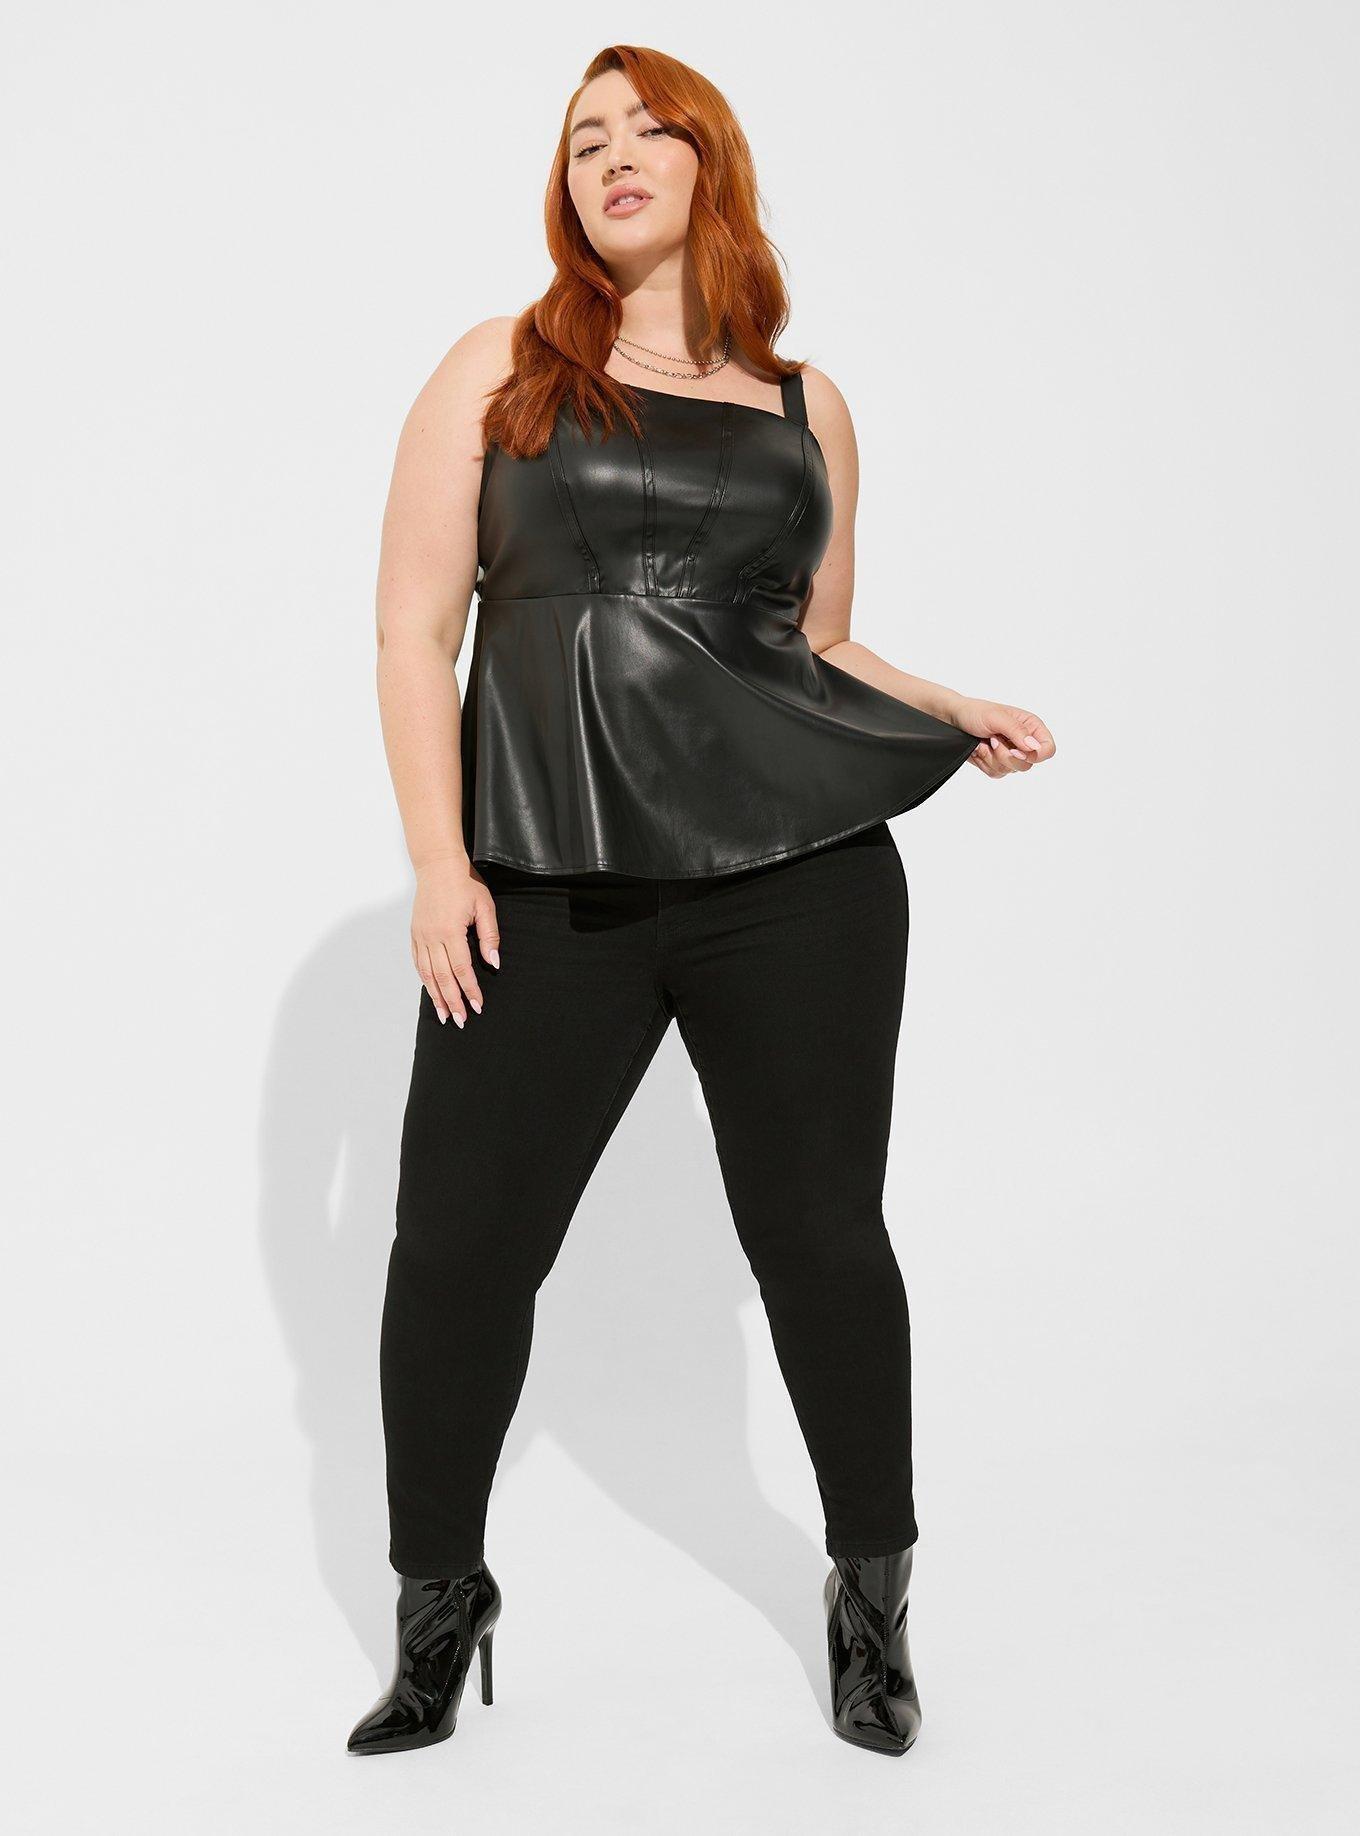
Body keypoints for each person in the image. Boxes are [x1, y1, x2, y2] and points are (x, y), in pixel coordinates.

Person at [347, 43, 1055, 1760]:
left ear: (706, 160)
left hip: (796, 883)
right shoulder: (498, 369)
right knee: (458, 1253)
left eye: (645, 127)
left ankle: (871, 1598)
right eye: (582, 137)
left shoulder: (809, 408)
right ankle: (440, 1602)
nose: (612, 154)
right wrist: (441, 862)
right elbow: (413, 628)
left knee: (821, 1243)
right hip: (546, 883)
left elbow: (812, 646)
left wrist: (943, 702)